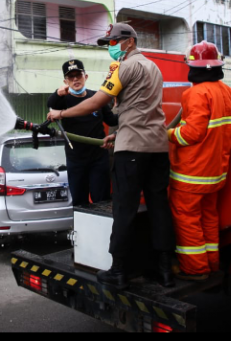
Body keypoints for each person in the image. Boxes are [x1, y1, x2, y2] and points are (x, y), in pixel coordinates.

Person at [47, 23, 175, 288]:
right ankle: (164, 270)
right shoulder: (154, 68)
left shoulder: (123, 68)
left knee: (123, 209)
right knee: (159, 207)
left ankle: (118, 271)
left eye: (114, 42)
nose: (111, 48)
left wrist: (61, 114)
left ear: (129, 42)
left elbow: (97, 102)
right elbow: (143, 110)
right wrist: (116, 134)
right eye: (109, 44)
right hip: (158, 147)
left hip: (133, 151)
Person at [167, 41, 231, 281]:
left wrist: (168, 134)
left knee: (187, 219)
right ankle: (211, 263)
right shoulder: (228, 92)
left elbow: (191, 134)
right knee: (208, 217)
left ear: (191, 66)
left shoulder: (195, 93)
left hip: (191, 174)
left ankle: (195, 269)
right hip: (216, 173)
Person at [47, 59, 118, 206]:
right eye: (70, 77)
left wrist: (130, 113)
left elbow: (111, 120)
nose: (75, 79)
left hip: (98, 158)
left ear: (85, 77)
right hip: (76, 160)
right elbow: (51, 104)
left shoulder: (96, 98)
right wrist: (58, 93)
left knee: (102, 201)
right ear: (65, 81)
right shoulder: (63, 100)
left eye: (78, 75)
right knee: (79, 203)